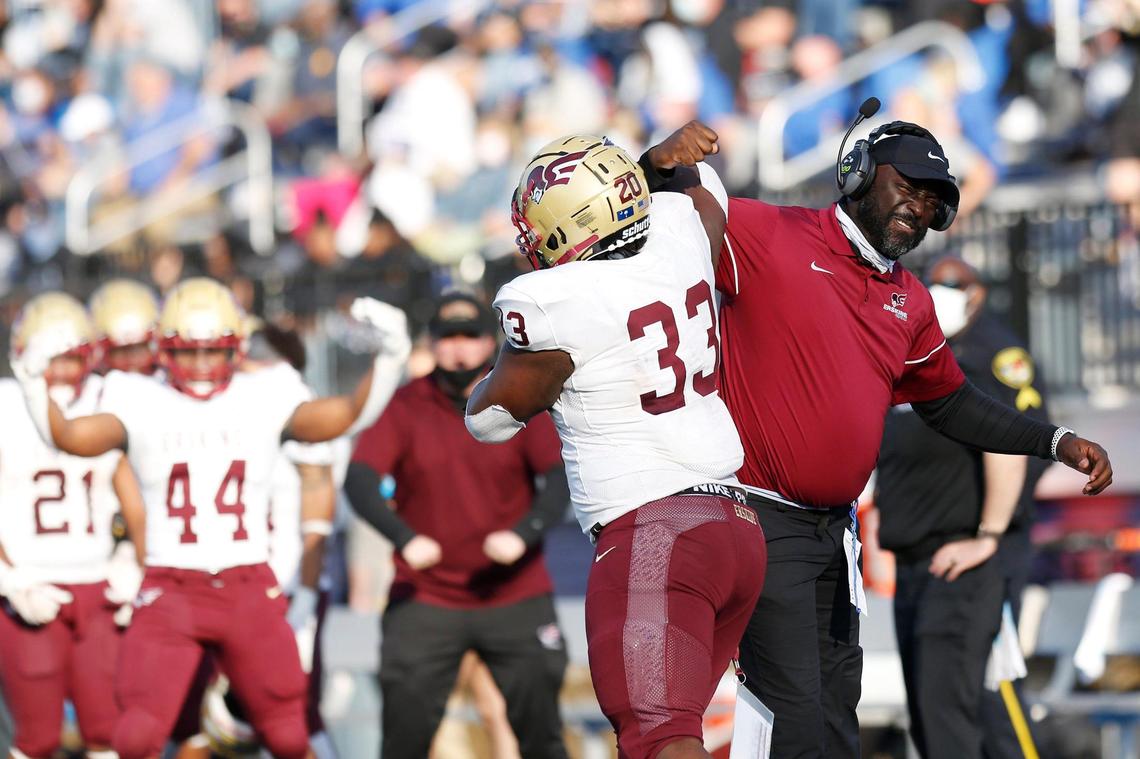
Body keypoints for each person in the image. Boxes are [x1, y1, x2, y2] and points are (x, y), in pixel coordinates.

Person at [637, 116, 1113, 758]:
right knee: (793, 720)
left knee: (838, 715)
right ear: (858, 176)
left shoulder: (909, 300)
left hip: (835, 534)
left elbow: (952, 404)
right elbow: (662, 213)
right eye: (907, 188)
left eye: (932, 201)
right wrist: (660, 165)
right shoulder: (769, 234)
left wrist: (1053, 441)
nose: (917, 209)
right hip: (759, 520)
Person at [10, 277, 411, 759]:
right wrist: (33, 387)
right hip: (170, 587)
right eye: (186, 353)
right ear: (163, 350)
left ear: (237, 348)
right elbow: (70, 437)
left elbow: (348, 414)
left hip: (246, 584)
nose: (200, 367)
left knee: (287, 731)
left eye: (213, 352)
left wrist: (389, 359)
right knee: (135, 735)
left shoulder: (265, 392)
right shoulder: (137, 396)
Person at [466, 131, 767, 759]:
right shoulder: (683, 234)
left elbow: (489, 420)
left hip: (652, 530)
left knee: (659, 738)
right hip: (734, 527)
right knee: (662, 736)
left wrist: (507, 363)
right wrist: (656, 165)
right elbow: (701, 185)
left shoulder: (554, 302)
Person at [344, 292, 571, 759]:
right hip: (427, 596)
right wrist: (403, 538)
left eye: (470, 336)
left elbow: (557, 478)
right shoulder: (407, 404)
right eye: (448, 338)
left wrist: (523, 533)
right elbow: (360, 478)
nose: (459, 348)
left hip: (514, 592)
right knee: (403, 738)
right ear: (431, 344)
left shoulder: (517, 397)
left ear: (491, 343)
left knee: (542, 735)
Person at [876, 256, 1051, 759]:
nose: (940, 294)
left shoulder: (991, 356)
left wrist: (990, 526)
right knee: (938, 714)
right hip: (924, 558)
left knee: (988, 697)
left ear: (976, 294)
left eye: (952, 287)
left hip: (979, 547)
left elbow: (1022, 444)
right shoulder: (917, 357)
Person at [0, 292, 144, 759]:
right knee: (37, 739)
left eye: (70, 359)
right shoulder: (5, 407)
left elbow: (137, 496)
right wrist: (10, 579)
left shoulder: (108, 401)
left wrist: (135, 562)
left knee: (106, 731)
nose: (61, 372)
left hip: (97, 586)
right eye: (50, 361)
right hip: (30, 584)